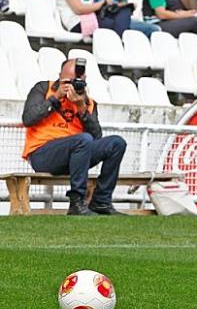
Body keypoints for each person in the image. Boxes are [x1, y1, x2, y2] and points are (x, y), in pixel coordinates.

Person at [21, 59, 127, 216]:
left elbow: (97, 137)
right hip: (42, 154)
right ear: (59, 77)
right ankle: (76, 202)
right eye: (67, 81)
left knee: (117, 143)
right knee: (83, 140)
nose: (71, 86)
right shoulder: (44, 88)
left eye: (76, 82)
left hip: (78, 153)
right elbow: (28, 119)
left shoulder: (87, 102)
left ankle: (101, 201)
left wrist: (81, 108)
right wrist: (55, 97)